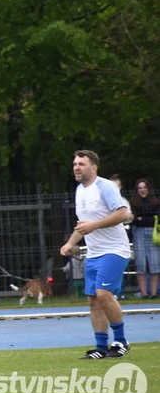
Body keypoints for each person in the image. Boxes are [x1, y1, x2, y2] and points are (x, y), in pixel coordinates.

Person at [59, 150, 135, 359]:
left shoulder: (105, 186)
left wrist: (94, 226)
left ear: (93, 167)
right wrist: (69, 243)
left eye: (81, 164)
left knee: (104, 294)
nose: (76, 167)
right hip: (94, 253)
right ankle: (101, 347)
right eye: (75, 163)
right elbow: (83, 225)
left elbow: (121, 213)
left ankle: (120, 341)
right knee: (93, 299)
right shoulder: (79, 190)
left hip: (114, 250)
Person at [129, 178, 160, 299]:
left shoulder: (156, 202)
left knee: (155, 263)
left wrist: (142, 219)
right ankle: (144, 293)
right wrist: (143, 219)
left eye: (144, 187)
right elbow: (134, 219)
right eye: (140, 188)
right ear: (137, 190)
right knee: (140, 263)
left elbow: (156, 218)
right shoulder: (133, 203)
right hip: (138, 233)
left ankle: (153, 293)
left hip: (153, 233)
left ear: (148, 189)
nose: (142, 190)